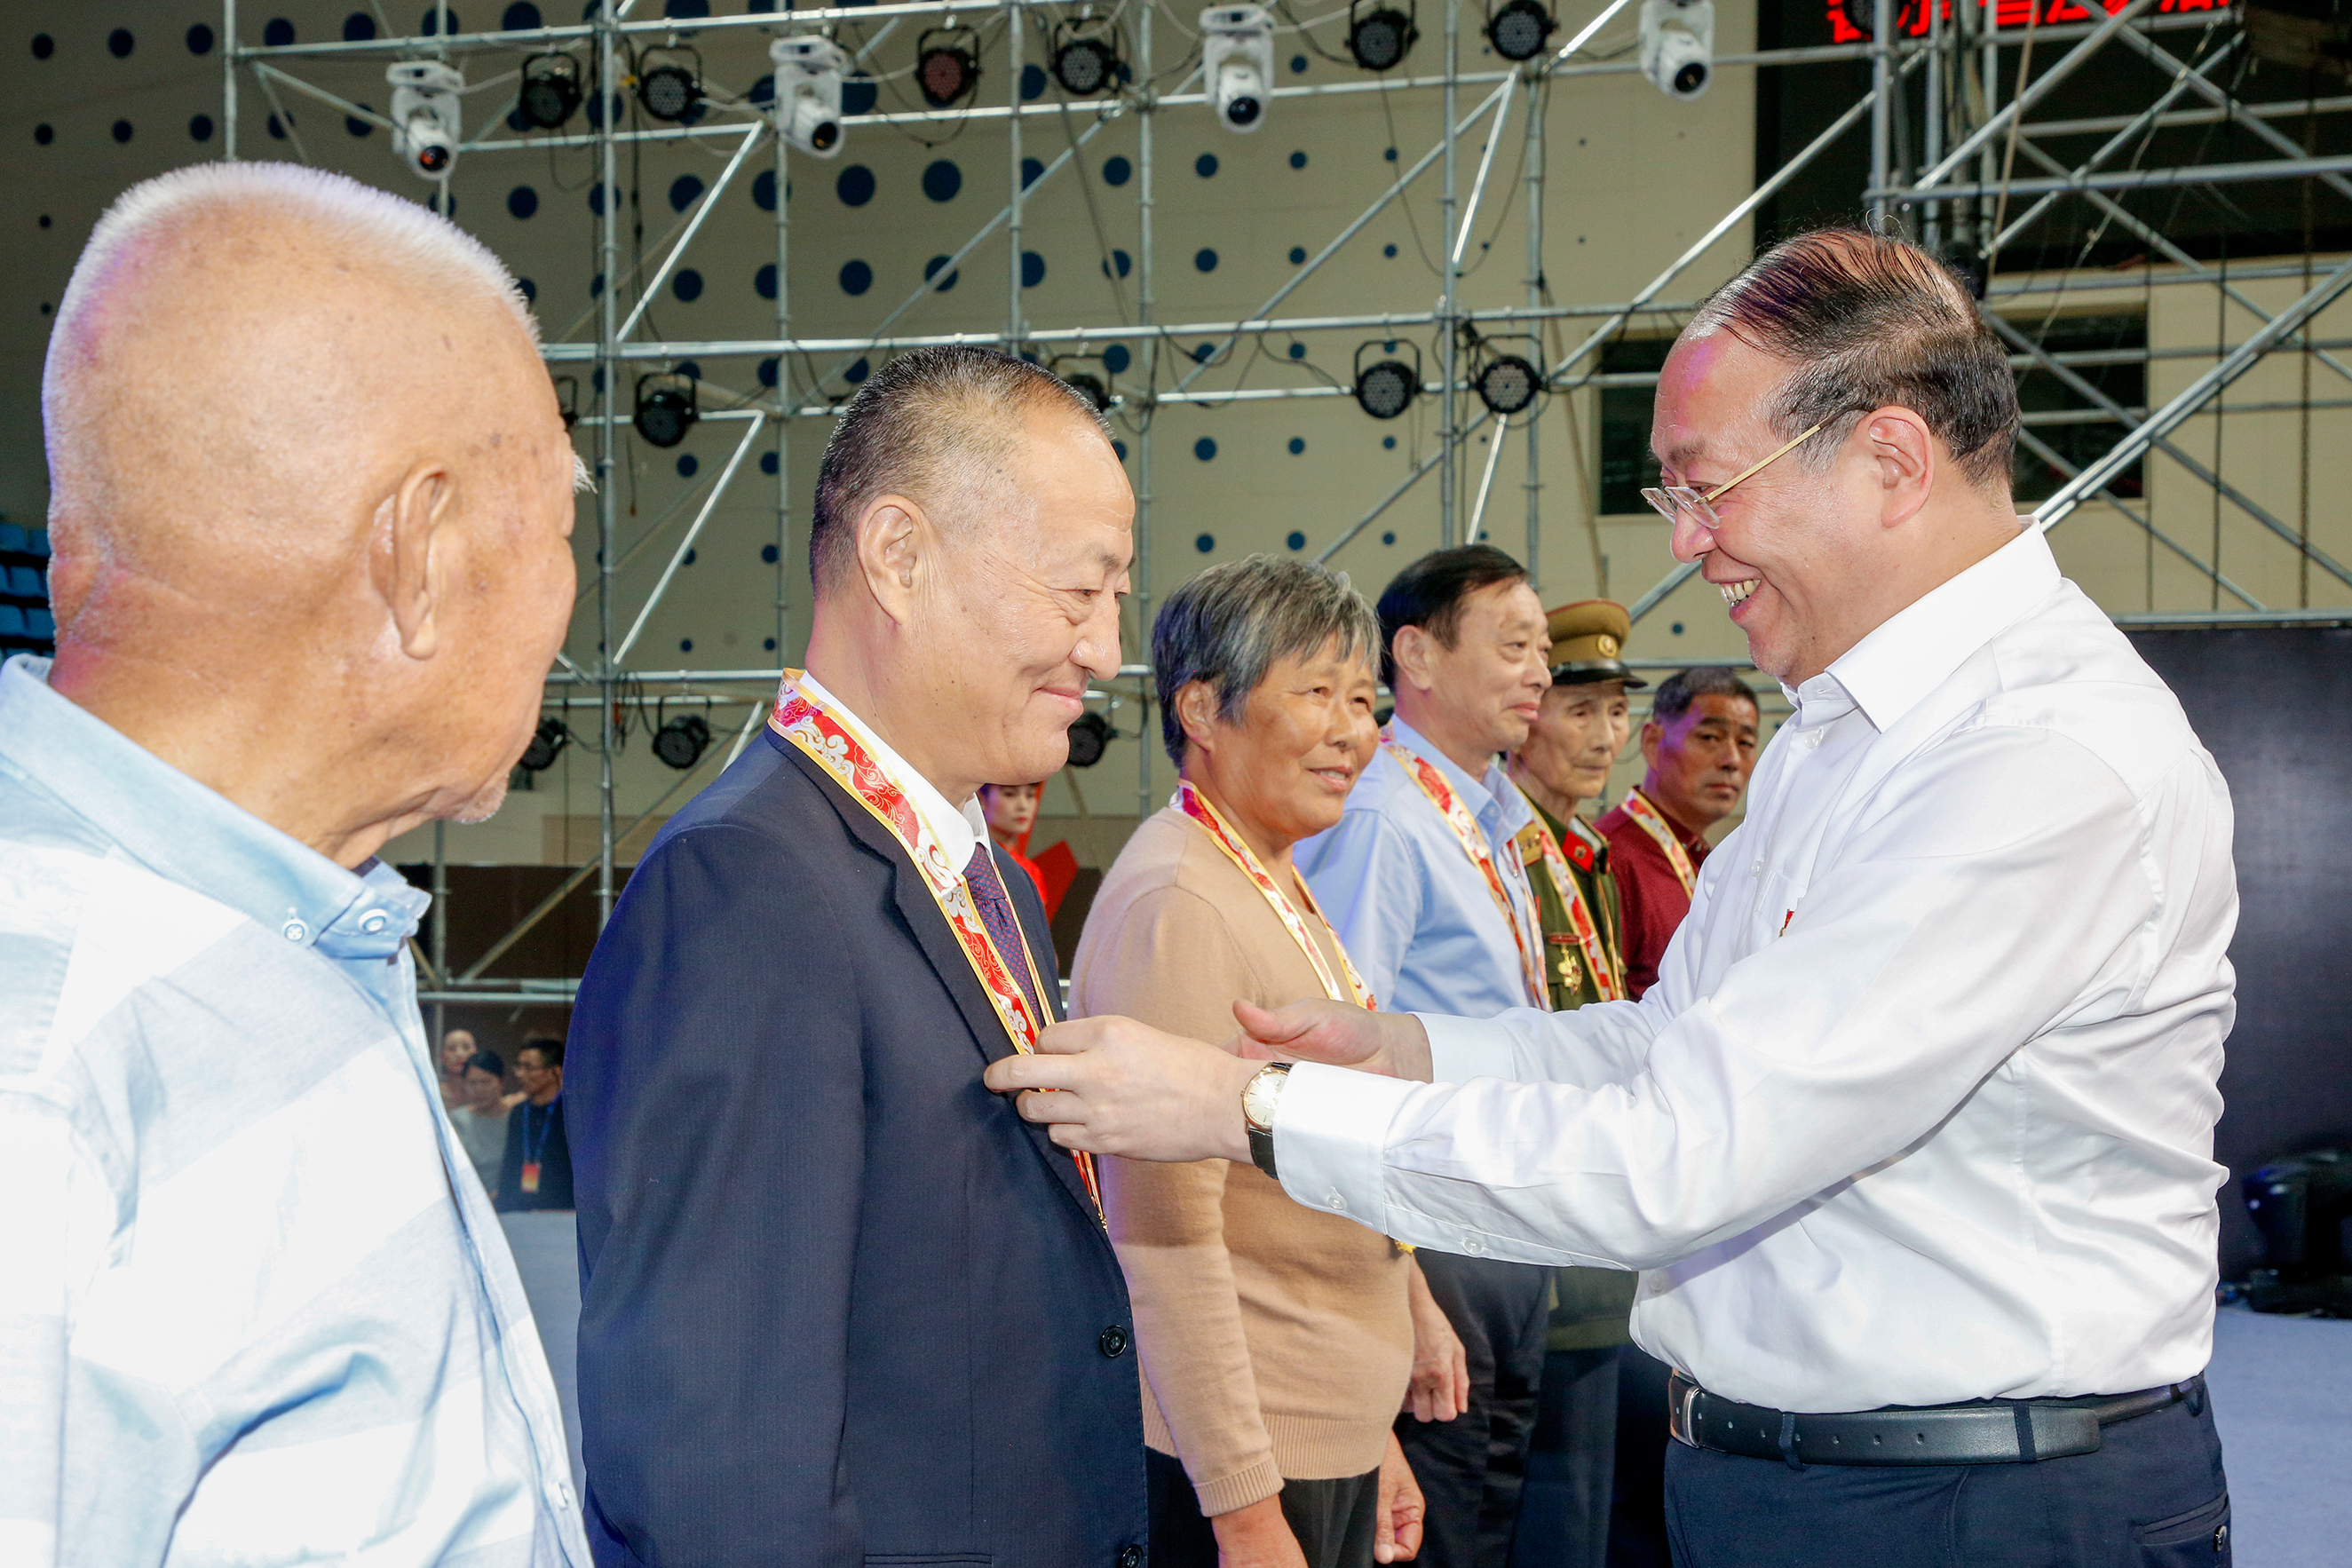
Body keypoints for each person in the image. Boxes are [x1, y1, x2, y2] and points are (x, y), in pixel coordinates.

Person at [990, 227, 2240, 1568]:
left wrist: (1243, 1109)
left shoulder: (2028, 759)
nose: (1689, 545)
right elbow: (1669, 1038)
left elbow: (1685, 1147)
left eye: (1709, 490)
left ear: (1887, 462)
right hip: (1822, 1476)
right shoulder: (1848, 731)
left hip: (1976, 1505)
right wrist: (1407, 1044)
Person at [0, 162, 588, 1561]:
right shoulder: (52, 1054)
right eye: (561, 529)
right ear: (419, 553)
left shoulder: (270, 937)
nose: (570, 597)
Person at [566, 345, 1146, 1568]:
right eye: (1082, 591)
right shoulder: (749, 885)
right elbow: (723, 1450)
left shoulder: (972, 873)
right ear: (900, 555)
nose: (1105, 649)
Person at [1078, 556, 1425, 1568]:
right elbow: (1165, 1233)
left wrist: (1371, 1437)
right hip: (1245, 1458)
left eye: (1363, 699)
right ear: (1201, 707)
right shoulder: (1179, 901)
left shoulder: (1268, 869)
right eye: (1316, 692)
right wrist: (1242, 1508)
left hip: (1320, 1431)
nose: (1353, 730)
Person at [1291, 544, 1556, 1568]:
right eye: (1514, 643)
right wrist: (1398, 1275)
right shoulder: (1383, 820)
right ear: (1417, 654)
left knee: (1493, 1513)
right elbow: (1338, 1046)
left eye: (1541, 649)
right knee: (1442, 1526)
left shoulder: (1486, 820)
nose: (1538, 670)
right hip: (1433, 1225)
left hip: (1501, 1211)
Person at [1495, 601, 1650, 1568]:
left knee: (1594, 1513)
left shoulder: (1580, 854)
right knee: (1548, 1518)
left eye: (1614, 712)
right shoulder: (1510, 847)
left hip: (1589, 1233)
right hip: (1528, 1243)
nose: (1603, 736)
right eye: (1579, 710)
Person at [1594, 667, 1757, 997]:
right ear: (1653, 743)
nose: (1732, 760)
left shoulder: (1708, 857)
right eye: (1710, 738)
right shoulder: (1611, 859)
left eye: (1747, 742)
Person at [498, 1038, 573, 1212]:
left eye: (529, 1068)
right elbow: (510, 1164)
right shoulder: (519, 1112)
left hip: (561, 1211)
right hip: (519, 1210)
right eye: (519, 1067)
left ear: (556, 1071)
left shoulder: (572, 1112)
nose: (520, 1074)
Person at [980, 779, 1052, 906]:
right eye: (1010, 794)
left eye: (1030, 795)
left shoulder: (1030, 871)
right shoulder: (968, 862)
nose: (1023, 806)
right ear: (981, 799)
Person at [453, 1046, 513, 1192]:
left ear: (501, 1082)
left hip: (507, 1199)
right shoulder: (458, 1120)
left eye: (485, 1082)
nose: (478, 1089)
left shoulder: (514, 1118)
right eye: (472, 1083)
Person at [440, 1025, 481, 1112]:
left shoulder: (486, 1092)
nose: (459, 1054)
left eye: (466, 1047)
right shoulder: (434, 1093)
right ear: (442, 1056)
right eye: (452, 1049)